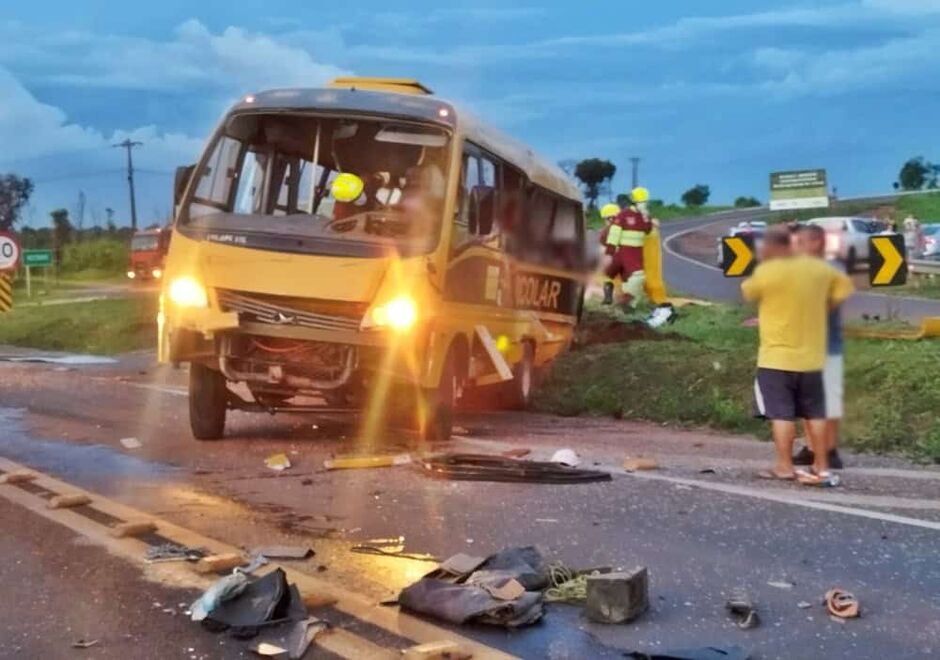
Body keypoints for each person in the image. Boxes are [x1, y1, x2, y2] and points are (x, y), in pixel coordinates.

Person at [741, 226, 854, 486]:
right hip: (814, 357)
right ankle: (821, 466)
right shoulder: (822, 270)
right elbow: (843, 289)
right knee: (816, 413)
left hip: (777, 357)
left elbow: (748, 292)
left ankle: (784, 466)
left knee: (781, 414)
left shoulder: (769, 270)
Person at [792, 224, 845, 470]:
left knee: (823, 401)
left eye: (800, 242)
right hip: (816, 345)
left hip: (821, 346)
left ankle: (828, 449)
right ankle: (814, 447)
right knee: (812, 401)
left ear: (815, 243)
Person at [604, 189, 653, 310]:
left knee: (628, 279)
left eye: (645, 201)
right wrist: (611, 249)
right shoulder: (624, 215)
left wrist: (646, 217)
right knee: (638, 275)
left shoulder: (645, 216)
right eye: (642, 202)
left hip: (637, 251)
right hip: (625, 251)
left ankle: (629, 306)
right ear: (635, 202)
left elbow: (647, 231)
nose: (644, 204)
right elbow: (615, 232)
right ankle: (625, 301)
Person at [598, 203, 622, 305]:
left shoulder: (605, 231)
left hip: (613, 257)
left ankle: (608, 297)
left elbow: (602, 242)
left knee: (608, 277)